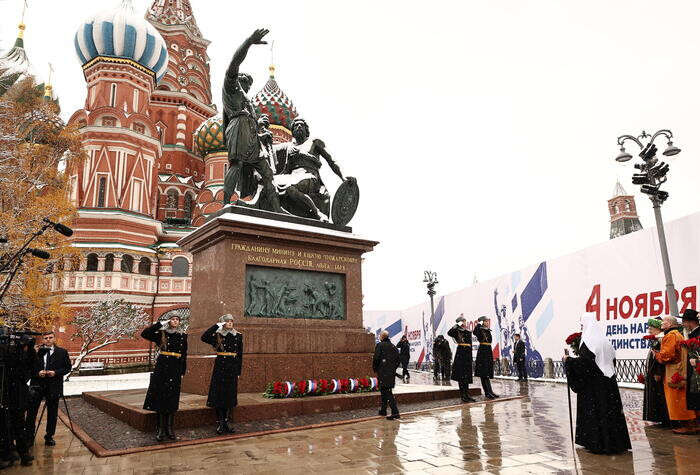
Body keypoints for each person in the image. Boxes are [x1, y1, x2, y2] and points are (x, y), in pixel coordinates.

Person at [221, 28, 283, 213]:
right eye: (244, 80)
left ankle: (275, 208)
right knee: (237, 164)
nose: (247, 83)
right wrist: (248, 42)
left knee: (267, 172)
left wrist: (261, 134)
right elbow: (234, 62)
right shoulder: (231, 87)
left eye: (249, 82)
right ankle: (225, 202)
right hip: (238, 126)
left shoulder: (249, 101)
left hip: (251, 134)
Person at [563, 314, 631, 454]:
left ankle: (599, 443)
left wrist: (568, 360)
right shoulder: (605, 341)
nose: (582, 328)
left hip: (594, 386)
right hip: (609, 383)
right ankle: (615, 442)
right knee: (610, 413)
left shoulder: (588, 342)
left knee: (597, 413)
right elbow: (611, 362)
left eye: (582, 326)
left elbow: (586, 364)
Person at [142, 314, 188, 442]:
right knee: (161, 397)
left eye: (177, 319)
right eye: (172, 319)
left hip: (175, 367)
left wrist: (182, 371)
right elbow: (145, 334)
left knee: (172, 398)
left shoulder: (183, 336)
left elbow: (184, 354)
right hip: (162, 367)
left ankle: (169, 428)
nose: (175, 321)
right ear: (169, 321)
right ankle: (161, 429)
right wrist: (160, 324)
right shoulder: (161, 334)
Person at [25, 331, 71, 447]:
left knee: (52, 413)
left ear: (54, 338)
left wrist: (55, 373)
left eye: (50, 337)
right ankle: (29, 437)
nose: (48, 340)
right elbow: (28, 367)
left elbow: (67, 368)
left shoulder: (62, 352)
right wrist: (37, 373)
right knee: (31, 412)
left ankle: (49, 436)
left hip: (53, 386)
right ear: (42, 340)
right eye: (46, 338)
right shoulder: (35, 352)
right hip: (37, 386)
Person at [654, 315, 698, 434]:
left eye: (663, 322)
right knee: (682, 399)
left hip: (673, 372)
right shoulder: (677, 334)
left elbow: (667, 356)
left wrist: (657, 354)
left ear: (669, 324)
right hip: (681, 370)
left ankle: (687, 425)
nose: (661, 324)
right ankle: (691, 424)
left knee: (677, 400)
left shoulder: (670, 336)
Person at [201, 314, 243, 435]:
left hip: (232, 367)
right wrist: (216, 326)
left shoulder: (238, 335)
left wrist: (238, 371)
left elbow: (240, 354)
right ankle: (220, 422)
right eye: (227, 321)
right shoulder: (217, 334)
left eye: (231, 321)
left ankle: (226, 421)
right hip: (221, 366)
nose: (230, 323)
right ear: (223, 323)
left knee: (229, 395)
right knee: (219, 394)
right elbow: (204, 337)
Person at [1, 331, 37, 467]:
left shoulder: (22, 353)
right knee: (5, 426)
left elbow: (32, 366)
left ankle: (23, 454)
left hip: (17, 395)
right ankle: (7, 453)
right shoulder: (5, 352)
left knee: (19, 425)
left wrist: (29, 347)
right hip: (4, 393)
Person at [642, 317, 670, 426]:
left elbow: (660, 357)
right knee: (655, 395)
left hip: (657, 374)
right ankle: (658, 417)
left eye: (651, 328)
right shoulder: (656, 339)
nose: (649, 330)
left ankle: (663, 418)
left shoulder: (661, 340)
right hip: (652, 373)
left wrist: (658, 372)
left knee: (659, 396)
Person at [372, 330, 400, 420]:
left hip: (383, 372)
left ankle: (395, 412)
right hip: (390, 373)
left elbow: (376, 358)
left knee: (387, 392)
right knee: (385, 391)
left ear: (382, 337)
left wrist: (376, 368)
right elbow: (398, 360)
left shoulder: (380, 345)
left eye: (380, 336)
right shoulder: (393, 346)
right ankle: (383, 410)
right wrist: (392, 368)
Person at [447, 316, 476, 402]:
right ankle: (463, 395)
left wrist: (470, 356)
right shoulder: (456, 331)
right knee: (461, 376)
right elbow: (449, 332)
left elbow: (470, 344)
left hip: (467, 353)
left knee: (466, 376)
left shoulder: (467, 331)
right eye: (462, 321)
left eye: (464, 321)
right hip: (461, 353)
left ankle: (467, 395)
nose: (464, 322)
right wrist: (457, 325)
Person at [474, 316, 499, 399]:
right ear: (482, 322)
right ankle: (487, 392)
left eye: (488, 321)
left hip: (488, 351)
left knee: (487, 374)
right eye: (485, 321)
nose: (488, 323)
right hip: (483, 352)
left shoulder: (487, 330)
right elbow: (475, 332)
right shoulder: (480, 329)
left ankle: (490, 391)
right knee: (484, 374)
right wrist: (478, 324)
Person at [681, 309, 700, 413]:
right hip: (693, 369)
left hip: (697, 369)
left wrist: (697, 360)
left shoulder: (698, 333)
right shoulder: (691, 333)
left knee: (697, 397)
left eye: (684, 322)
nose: (683, 324)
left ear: (691, 322)